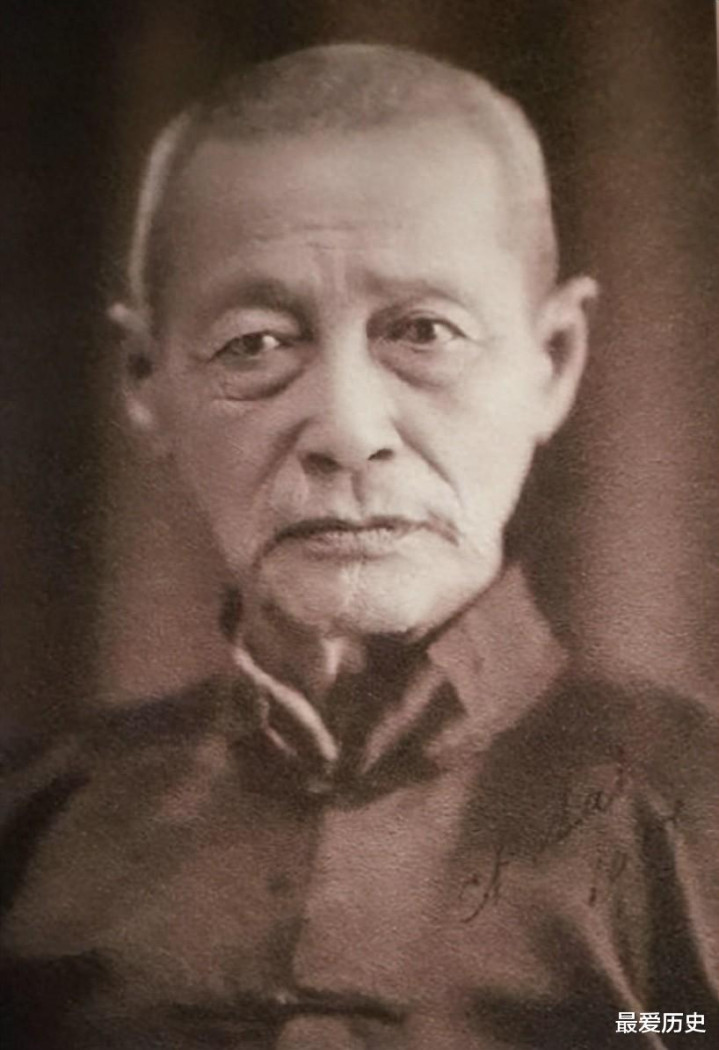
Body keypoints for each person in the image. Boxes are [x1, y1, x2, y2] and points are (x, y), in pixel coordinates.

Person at [1, 43, 716, 1050]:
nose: (346, 428)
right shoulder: (32, 829)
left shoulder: (697, 815)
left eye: (423, 332)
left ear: (552, 360)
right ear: (146, 381)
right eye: (255, 343)